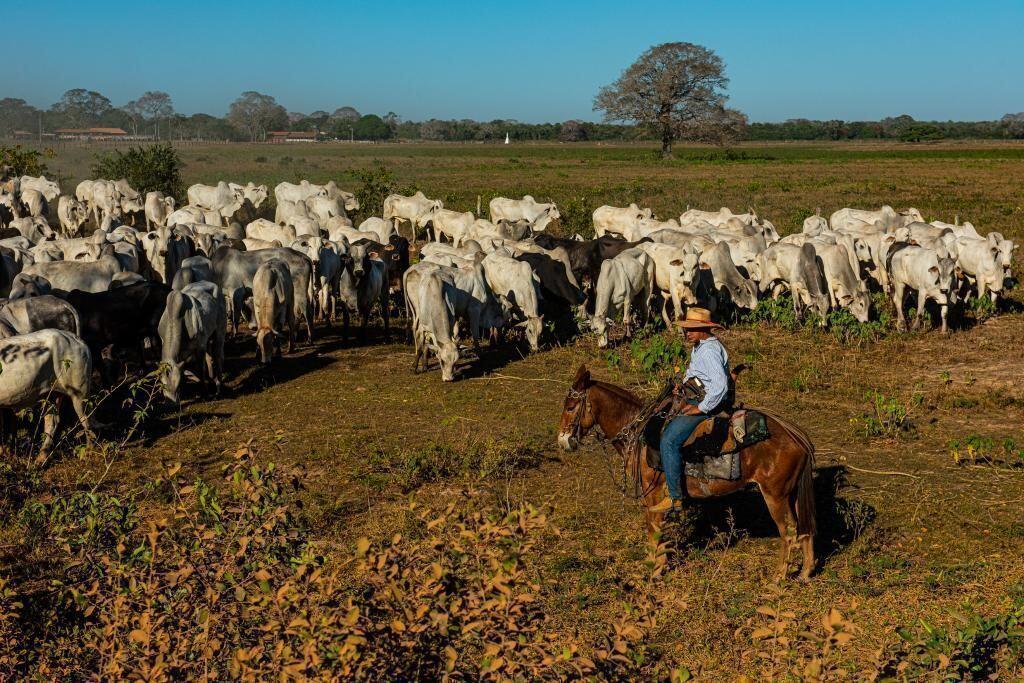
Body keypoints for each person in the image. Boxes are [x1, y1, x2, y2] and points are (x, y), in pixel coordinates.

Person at [649, 307, 730, 513]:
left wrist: (700, 408)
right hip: (693, 397)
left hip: (706, 404)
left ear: (704, 329)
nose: (687, 332)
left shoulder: (710, 351)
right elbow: (696, 374)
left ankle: (675, 497)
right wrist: (683, 386)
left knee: (668, 440)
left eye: (692, 329)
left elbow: (720, 385)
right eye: (686, 329)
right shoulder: (700, 346)